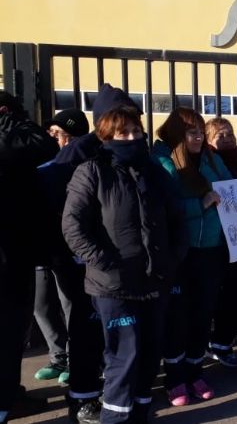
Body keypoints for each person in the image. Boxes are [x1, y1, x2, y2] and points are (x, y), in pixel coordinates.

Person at [62, 106, 187, 423]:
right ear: (106, 135)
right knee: (123, 357)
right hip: (114, 286)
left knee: (147, 356)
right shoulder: (91, 171)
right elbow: (73, 226)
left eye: (136, 131)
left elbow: (177, 218)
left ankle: (140, 414)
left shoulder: (155, 171)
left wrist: (172, 259)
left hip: (154, 281)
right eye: (123, 132)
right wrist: (105, 262)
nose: (132, 137)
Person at [41, 85, 142, 423]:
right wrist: (88, 254)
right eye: (120, 117)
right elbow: (66, 214)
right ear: (104, 120)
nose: (126, 125)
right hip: (84, 263)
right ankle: (83, 397)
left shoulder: (132, 152)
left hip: (120, 265)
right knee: (87, 329)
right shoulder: (79, 154)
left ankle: (112, 390)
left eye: (131, 118)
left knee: (116, 334)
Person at [152, 108, 232, 405]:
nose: (198, 136)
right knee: (178, 316)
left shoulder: (212, 159)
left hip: (211, 250)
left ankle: (195, 372)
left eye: (200, 130)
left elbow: (231, 189)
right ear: (176, 133)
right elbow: (162, 210)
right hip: (180, 253)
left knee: (202, 314)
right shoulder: (163, 163)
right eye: (191, 131)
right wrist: (200, 204)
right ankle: (174, 378)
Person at [0, 91, 59, 424]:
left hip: (14, 249)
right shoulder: (9, 137)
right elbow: (43, 143)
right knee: (8, 330)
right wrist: (11, 121)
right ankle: (5, 401)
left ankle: (9, 394)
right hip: (9, 254)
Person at [32, 108, 91, 385]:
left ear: (72, 138)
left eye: (58, 134)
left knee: (71, 302)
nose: (52, 138)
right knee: (41, 303)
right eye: (51, 133)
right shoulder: (38, 161)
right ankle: (58, 356)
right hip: (42, 245)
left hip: (70, 247)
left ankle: (74, 356)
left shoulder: (83, 164)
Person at [204, 117, 237, 368]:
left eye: (230, 134)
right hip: (213, 245)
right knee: (210, 298)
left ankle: (224, 344)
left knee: (234, 300)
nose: (227, 139)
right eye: (220, 135)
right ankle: (204, 345)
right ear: (208, 140)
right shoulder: (204, 168)